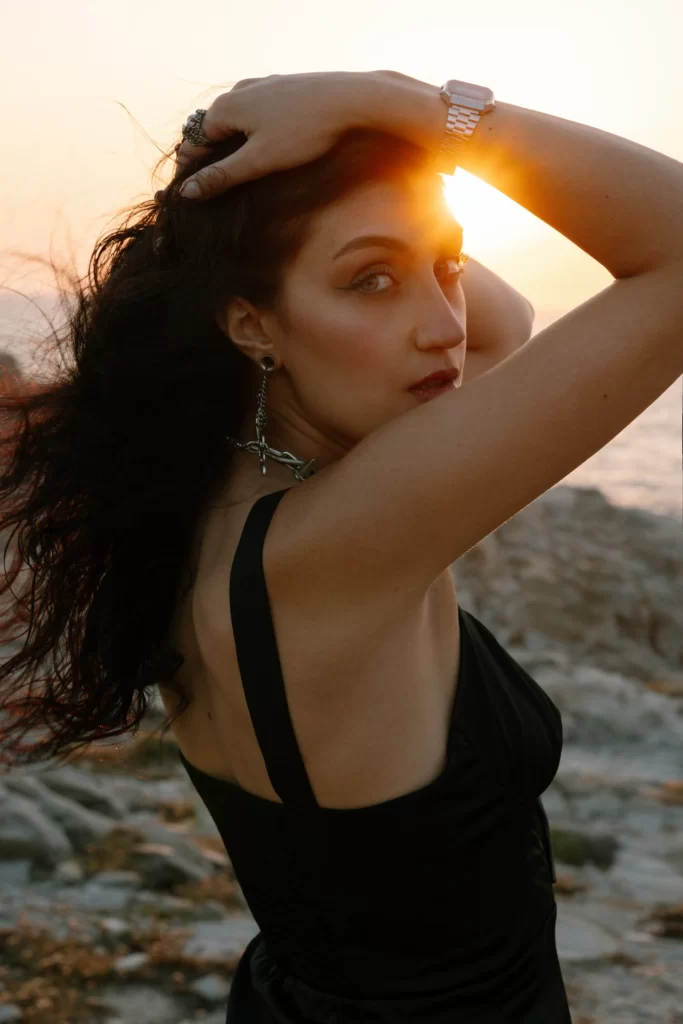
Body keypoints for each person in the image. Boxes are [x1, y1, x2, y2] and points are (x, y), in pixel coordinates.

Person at [0, 69, 681, 1023]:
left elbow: (503, 326)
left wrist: (336, 182)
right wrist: (396, 101)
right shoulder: (338, 547)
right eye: (370, 281)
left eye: (446, 266)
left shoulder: (212, 505)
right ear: (249, 323)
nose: (444, 324)